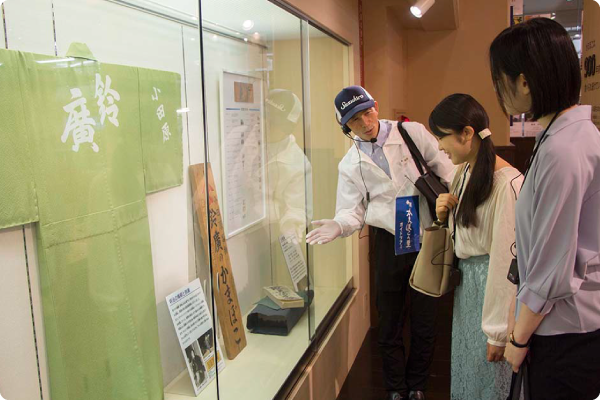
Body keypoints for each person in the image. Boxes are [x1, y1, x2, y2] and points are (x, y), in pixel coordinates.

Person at [306, 85, 455, 400]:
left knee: (425, 319)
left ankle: (418, 385)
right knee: (389, 320)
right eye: (354, 120)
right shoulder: (350, 164)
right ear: (345, 126)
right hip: (388, 242)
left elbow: (449, 172)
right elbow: (351, 210)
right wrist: (338, 225)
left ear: (375, 106)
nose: (365, 122)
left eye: (367, 112)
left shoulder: (411, 133)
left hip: (427, 237)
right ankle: (396, 388)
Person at [489, 18, 600, 400]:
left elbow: (553, 264)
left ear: (523, 83)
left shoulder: (563, 149)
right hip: (561, 322)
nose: (498, 91)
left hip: (566, 331)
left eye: (500, 80)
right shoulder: (562, 136)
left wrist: (518, 338)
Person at [430, 94, 522, 399]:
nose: (439, 147)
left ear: (467, 133)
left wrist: (498, 332)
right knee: (468, 371)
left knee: (488, 378)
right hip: (469, 289)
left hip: (490, 291)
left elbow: (506, 261)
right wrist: (443, 214)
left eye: (441, 137)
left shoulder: (507, 184)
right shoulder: (464, 171)